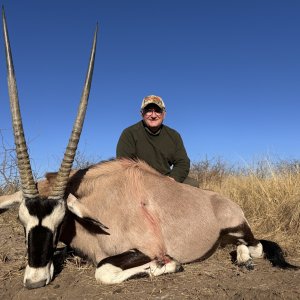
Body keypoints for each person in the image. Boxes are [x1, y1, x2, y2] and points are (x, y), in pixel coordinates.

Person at [116, 95, 198, 187]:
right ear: (142, 114)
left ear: (164, 114)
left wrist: (172, 179)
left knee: (193, 184)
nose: (153, 115)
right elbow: (124, 164)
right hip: (140, 180)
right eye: (149, 111)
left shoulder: (174, 135)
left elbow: (183, 162)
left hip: (166, 179)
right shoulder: (129, 133)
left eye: (158, 111)